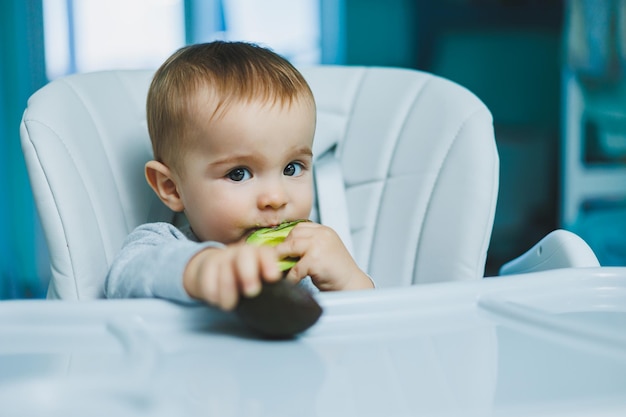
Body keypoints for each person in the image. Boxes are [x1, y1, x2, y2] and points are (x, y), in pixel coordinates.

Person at [105, 41, 374, 310]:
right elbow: (123, 279)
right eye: (239, 174)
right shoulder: (162, 243)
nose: (276, 198)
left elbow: (373, 331)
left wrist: (350, 280)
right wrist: (202, 268)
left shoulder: (310, 256)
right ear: (172, 187)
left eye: (291, 168)